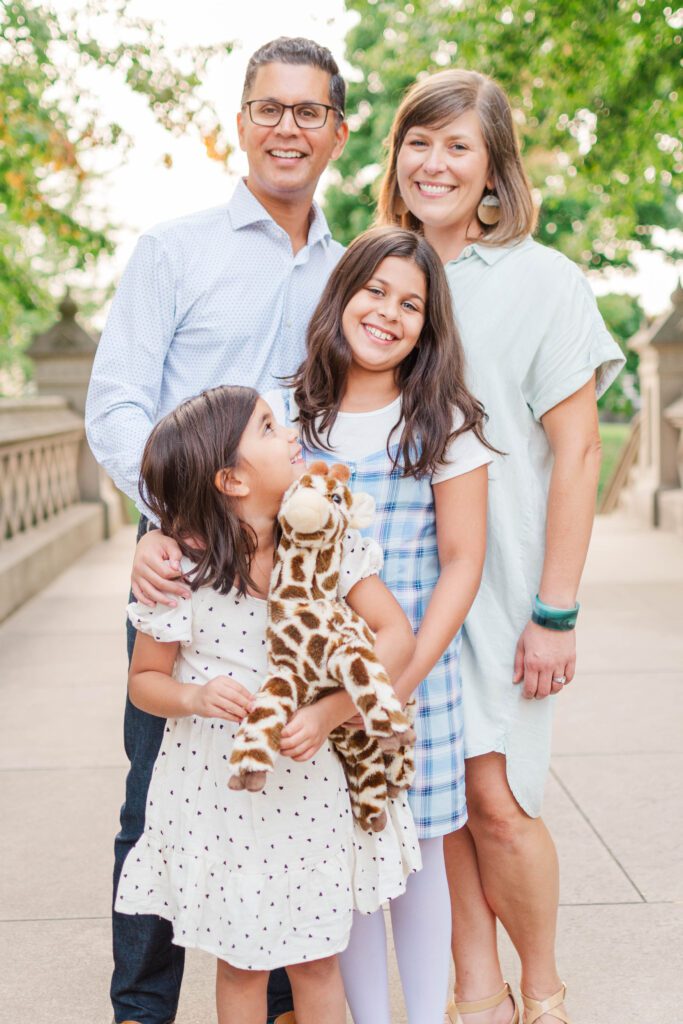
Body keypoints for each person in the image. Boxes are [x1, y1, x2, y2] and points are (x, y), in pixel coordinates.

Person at [134, 226, 495, 1024]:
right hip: (290, 711)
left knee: (414, 851)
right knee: (334, 913)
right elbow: (203, 482)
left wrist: (378, 693)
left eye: (412, 304)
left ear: (430, 324)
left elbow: (459, 566)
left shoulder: (439, 421)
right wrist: (158, 539)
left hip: (396, 669)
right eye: (375, 291)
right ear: (338, 297)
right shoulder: (290, 411)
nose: (390, 313)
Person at [85, 36, 349, 1024]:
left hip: (297, 573)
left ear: (335, 131)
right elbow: (116, 403)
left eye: (307, 111)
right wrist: (169, 521)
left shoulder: (347, 269)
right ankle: (143, 1010)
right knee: (159, 794)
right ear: (239, 123)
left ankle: (278, 1004)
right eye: (269, 109)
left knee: (287, 784)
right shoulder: (174, 250)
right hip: (185, 570)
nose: (287, 127)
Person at [375, 70, 625, 1024]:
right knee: (438, 802)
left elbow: (578, 449)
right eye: (418, 141)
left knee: (501, 805)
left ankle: (546, 988)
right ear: (395, 156)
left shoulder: (542, 280)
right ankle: (475, 991)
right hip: (399, 589)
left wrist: (555, 611)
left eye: (457, 147)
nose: (433, 162)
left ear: (492, 172)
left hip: (503, 586)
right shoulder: (375, 274)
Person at [118, 384, 420, 1024]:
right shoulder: (182, 568)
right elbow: (144, 679)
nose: (289, 435)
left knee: (316, 959)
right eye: (267, 426)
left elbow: (395, 636)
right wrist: (194, 695)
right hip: (219, 791)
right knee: (242, 964)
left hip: (307, 786)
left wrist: (329, 712)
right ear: (230, 478)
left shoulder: (324, 547)